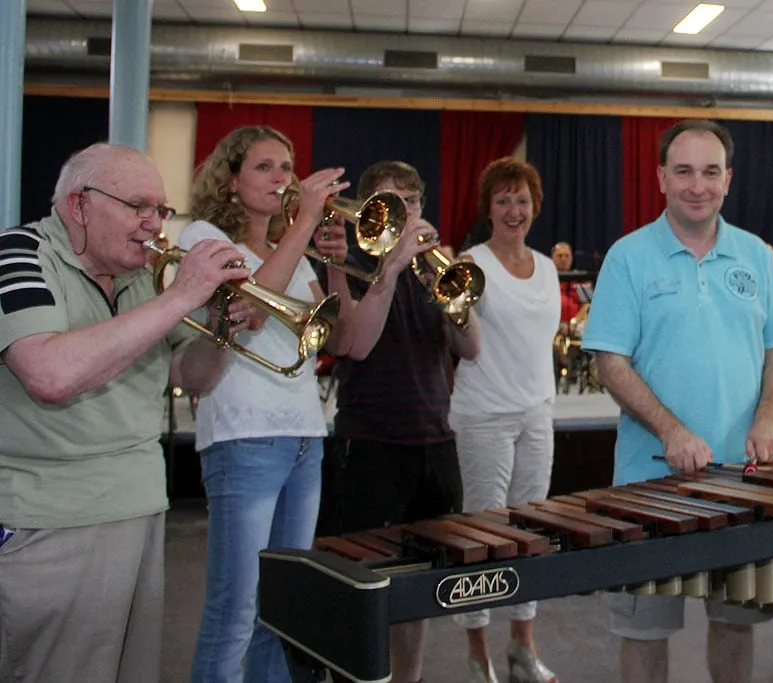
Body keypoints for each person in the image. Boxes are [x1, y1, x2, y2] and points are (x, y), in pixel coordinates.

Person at [0, 143, 250, 683]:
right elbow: (49, 374)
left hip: (139, 505)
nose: (153, 224)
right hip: (53, 518)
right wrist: (181, 297)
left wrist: (226, 326)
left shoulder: (143, 276)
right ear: (79, 204)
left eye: (160, 210)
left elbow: (193, 377)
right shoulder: (17, 254)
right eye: (138, 206)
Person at [581, 119, 773, 683]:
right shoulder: (627, 258)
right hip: (649, 480)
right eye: (683, 171)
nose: (697, 185)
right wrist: (671, 430)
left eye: (710, 172)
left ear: (728, 180)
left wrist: (769, 418)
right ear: (660, 177)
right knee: (645, 631)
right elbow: (611, 362)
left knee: (735, 624)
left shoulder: (755, 256)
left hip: (742, 477)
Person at [182, 125, 355, 683]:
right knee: (234, 608)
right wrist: (304, 222)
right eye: (264, 167)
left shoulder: (294, 253)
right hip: (243, 435)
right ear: (230, 180)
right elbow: (248, 313)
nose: (282, 177)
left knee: (280, 612)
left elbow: (336, 338)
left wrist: (337, 262)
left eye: (287, 166)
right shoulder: (204, 236)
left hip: (306, 434)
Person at [321, 160, 481, 683]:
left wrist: (452, 291)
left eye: (414, 201)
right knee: (363, 588)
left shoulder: (429, 267)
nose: (408, 212)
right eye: (395, 202)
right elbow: (357, 346)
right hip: (371, 445)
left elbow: (471, 347)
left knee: (418, 592)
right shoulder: (348, 264)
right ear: (369, 210)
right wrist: (390, 266)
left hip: (434, 441)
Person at [447, 157, 560, 683]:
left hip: (537, 414)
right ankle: (478, 656)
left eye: (522, 200)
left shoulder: (548, 265)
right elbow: (461, 346)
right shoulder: (470, 264)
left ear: (534, 206)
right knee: (484, 536)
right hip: (485, 416)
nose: (514, 210)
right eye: (503, 201)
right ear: (487, 209)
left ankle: (522, 648)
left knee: (531, 533)